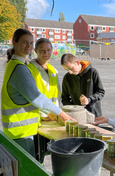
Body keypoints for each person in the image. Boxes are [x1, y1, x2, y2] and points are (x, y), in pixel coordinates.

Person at [1, 28, 75, 158]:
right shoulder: (20, 68)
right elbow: (37, 98)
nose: (28, 46)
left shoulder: (14, 64)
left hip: (21, 130)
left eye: (30, 43)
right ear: (14, 42)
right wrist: (61, 113)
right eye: (24, 42)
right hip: (20, 133)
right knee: (26, 174)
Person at [27, 38, 61, 121]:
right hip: (36, 117)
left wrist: (56, 112)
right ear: (36, 51)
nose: (46, 53)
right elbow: (30, 96)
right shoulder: (30, 69)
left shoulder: (53, 70)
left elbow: (58, 95)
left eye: (48, 50)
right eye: (42, 50)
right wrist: (44, 113)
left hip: (52, 116)